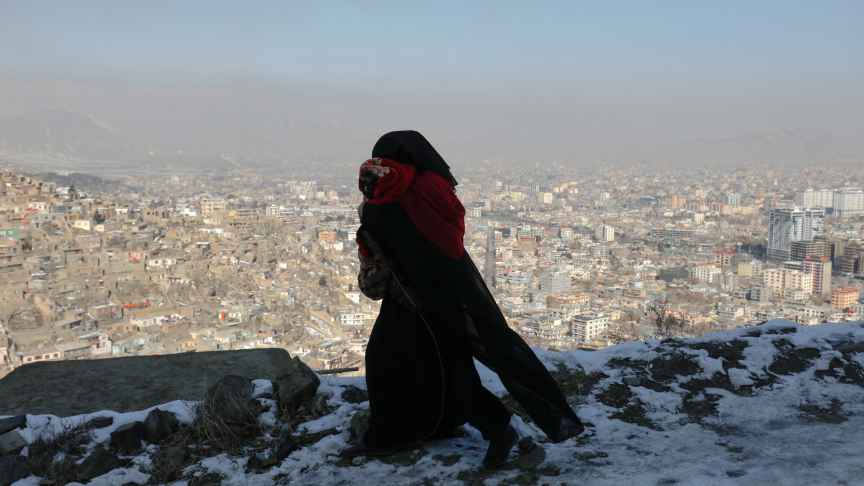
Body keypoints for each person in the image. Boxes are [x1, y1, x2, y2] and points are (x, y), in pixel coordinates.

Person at [343, 130, 584, 468]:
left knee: (421, 369)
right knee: (435, 368)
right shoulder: (432, 192)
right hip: (445, 295)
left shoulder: (387, 195)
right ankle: (422, 429)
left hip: (415, 302)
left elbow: (389, 252)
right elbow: (446, 248)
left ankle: (493, 430)